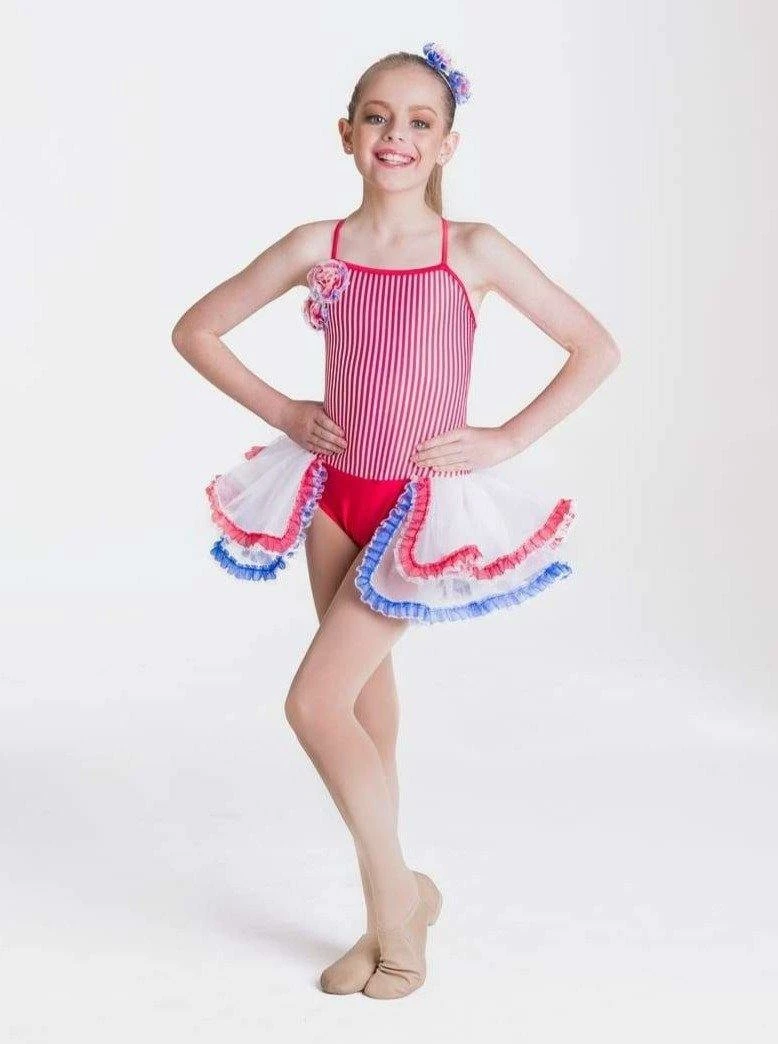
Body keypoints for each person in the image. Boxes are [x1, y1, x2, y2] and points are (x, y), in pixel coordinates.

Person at [172, 42, 620, 1000]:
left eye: (419, 121)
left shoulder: (474, 249)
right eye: (377, 117)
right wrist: (287, 411)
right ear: (347, 134)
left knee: (313, 704)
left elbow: (593, 347)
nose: (396, 135)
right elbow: (195, 329)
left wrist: (504, 437)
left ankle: (397, 908)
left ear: (447, 144)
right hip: (334, 495)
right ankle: (394, 907)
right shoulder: (317, 247)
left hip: (418, 503)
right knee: (364, 710)